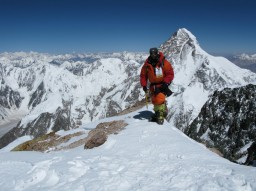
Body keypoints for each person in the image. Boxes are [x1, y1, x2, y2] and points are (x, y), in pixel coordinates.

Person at [140, 48, 174, 125]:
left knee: (160, 99)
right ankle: (157, 113)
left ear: (157, 53)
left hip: (162, 84)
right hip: (153, 86)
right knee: (154, 100)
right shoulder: (147, 64)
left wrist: (166, 82)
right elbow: (143, 76)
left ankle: (161, 115)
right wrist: (144, 85)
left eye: (154, 54)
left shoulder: (163, 62)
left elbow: (170, 73)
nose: (153, 55)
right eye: (151, 54)